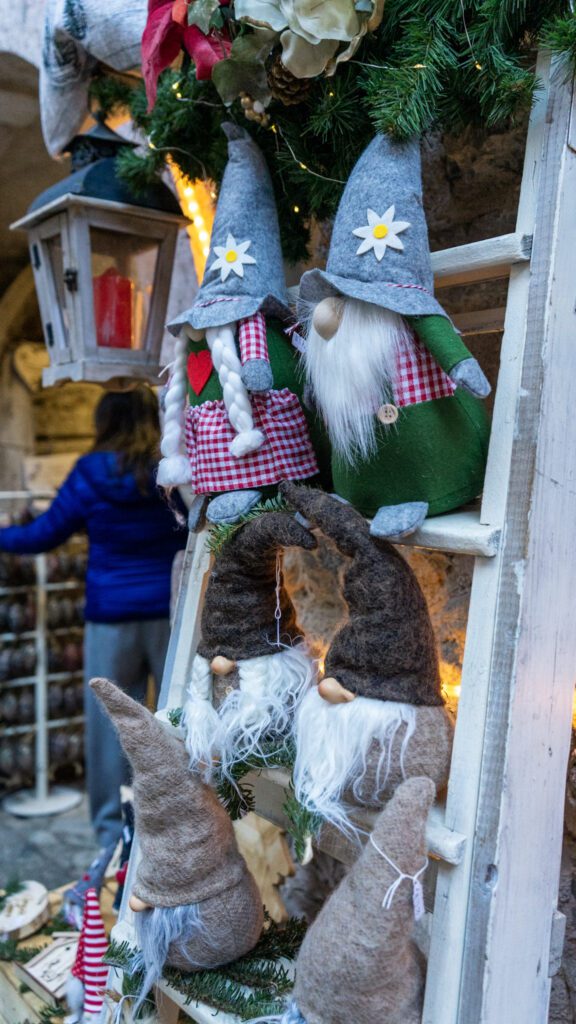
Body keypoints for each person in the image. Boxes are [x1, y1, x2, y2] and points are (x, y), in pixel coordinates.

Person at [0, 386, 187, 848]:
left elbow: (44, 535)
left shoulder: (89, 472)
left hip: (111, 616)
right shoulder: (170, 468)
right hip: (170, 613)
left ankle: (111, 835)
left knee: (108, 726)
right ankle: (184, 821)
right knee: (176, 721)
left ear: (102, 422)